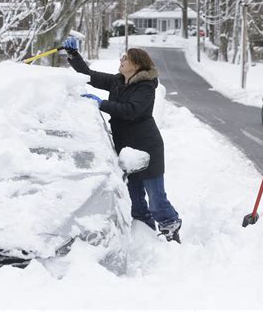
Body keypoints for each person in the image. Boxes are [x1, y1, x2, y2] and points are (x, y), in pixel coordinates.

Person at [62, 37, 182, 243]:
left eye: (125, 58)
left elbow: (131, 111)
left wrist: (102, 104)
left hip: (147, 147)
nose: (121, 60)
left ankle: (170, 225)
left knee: (155, 198)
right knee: (134, 197)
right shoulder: (118, 81)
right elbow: (88, 75)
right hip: (126, 149)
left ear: (136, 64)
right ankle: (145, 232)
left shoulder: (145, 87)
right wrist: (73, 55)